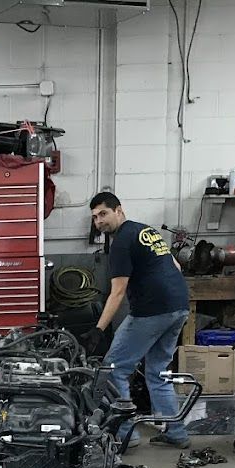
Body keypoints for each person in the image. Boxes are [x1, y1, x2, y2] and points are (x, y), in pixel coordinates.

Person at [86, 191, 192, 449]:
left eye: (103, 214)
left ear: (119, 210)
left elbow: (118, 291)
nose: (99, 221)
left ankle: (125, 434)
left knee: (113, 370)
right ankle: (176, 432)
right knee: (158, 372)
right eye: (95, 217)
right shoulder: (147, 231)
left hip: (151, 311)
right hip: (179, 306)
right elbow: (176, 266)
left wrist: (98, 329)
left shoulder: (121, 241)